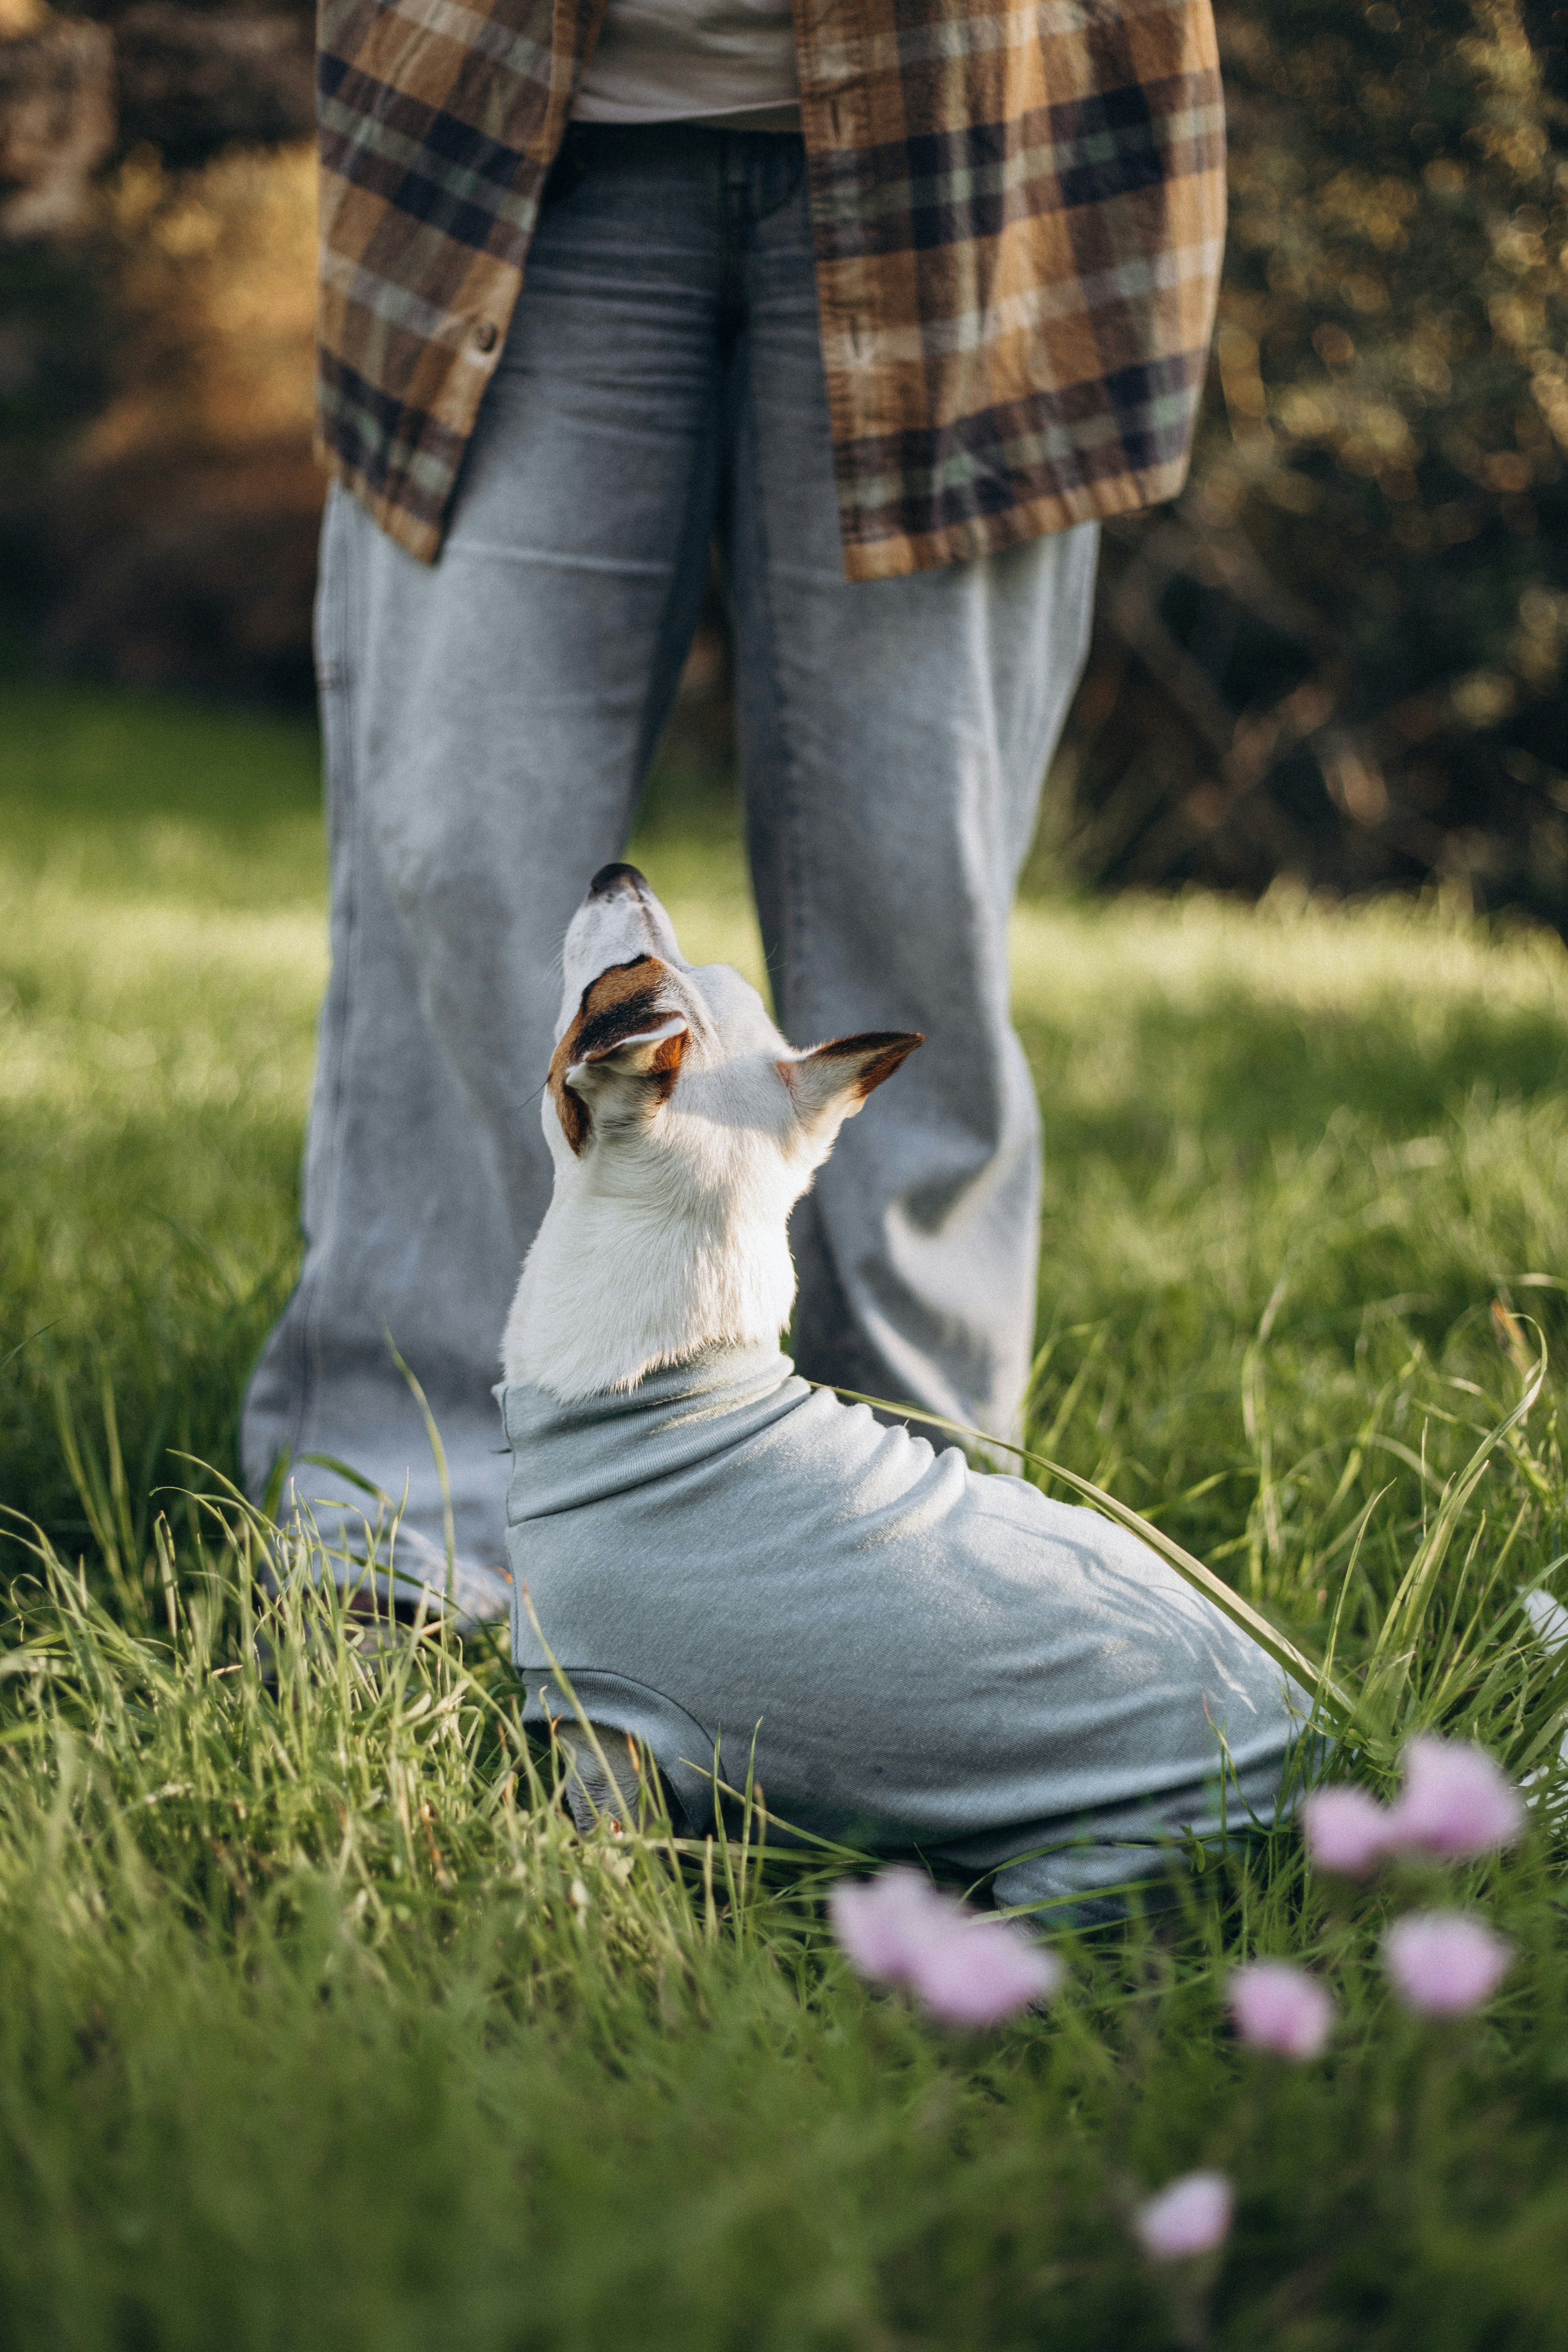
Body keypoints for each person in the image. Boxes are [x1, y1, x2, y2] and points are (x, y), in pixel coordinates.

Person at [240, 0, 1227, 1616]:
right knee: (461, 853)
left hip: (981, 149)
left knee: (910, 889)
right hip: (507, 137)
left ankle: (920, 1533)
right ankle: (406, 1527)